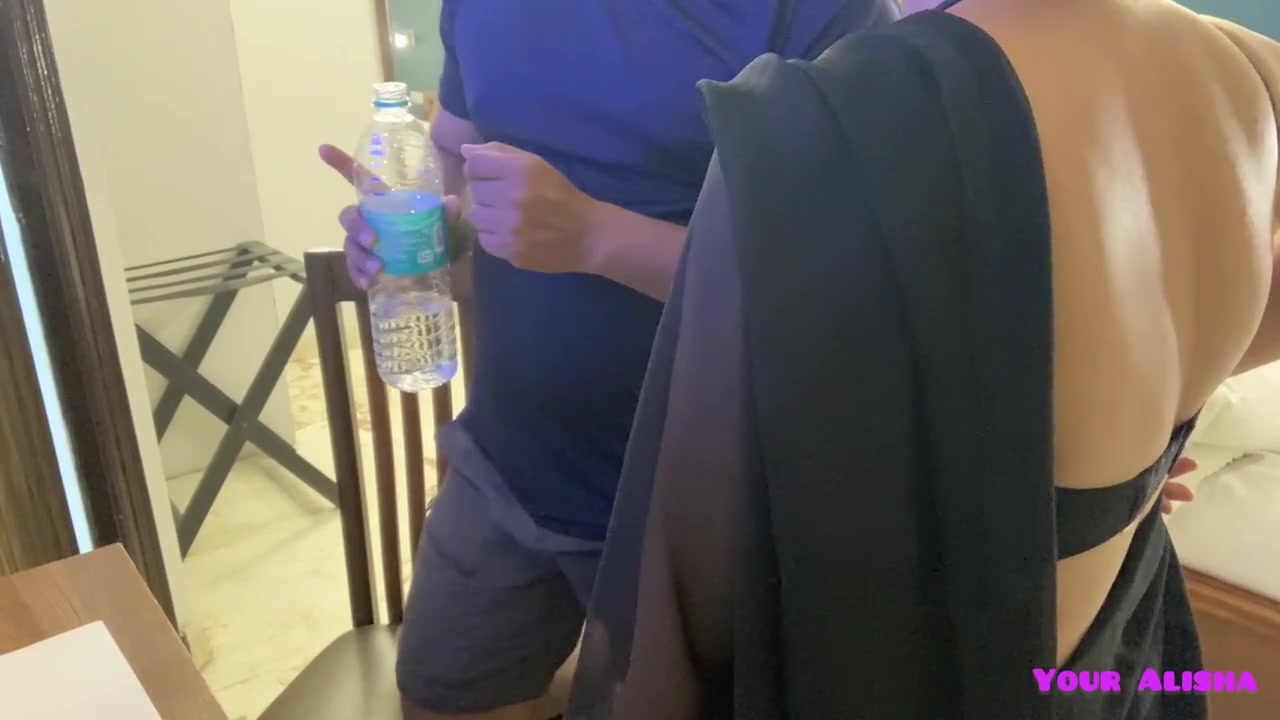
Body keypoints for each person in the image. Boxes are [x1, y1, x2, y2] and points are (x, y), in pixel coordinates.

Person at [569, 1, 1280, 718]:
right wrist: (1138, 450)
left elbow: (696, 589)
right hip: (1122, 674)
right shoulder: (1242, 70)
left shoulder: (830, 124)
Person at [319, 2, 902, 718]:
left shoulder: (823, 13)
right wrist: (424, 235)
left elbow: (844, 287)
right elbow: (455, 164)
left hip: (704, 507)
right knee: (440, 699)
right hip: (504, 466)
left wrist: (596, 236)